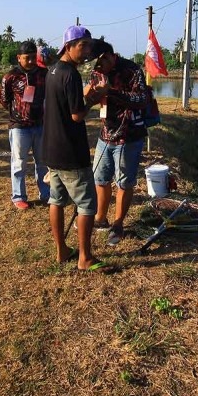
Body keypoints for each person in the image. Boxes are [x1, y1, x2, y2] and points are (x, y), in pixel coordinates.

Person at [41, 25, 109, 270]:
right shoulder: (70, 74)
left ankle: (62, 251)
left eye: (89, 45)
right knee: (87, 204)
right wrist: (94, 97)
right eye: (83, 45)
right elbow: (76, 115)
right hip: (70, 151)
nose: (88, 50)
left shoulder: (52, 71)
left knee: (56, 200)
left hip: (51, 149)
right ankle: (85, 257)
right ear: (68, 46)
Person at [86, 38, 149, 245]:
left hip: (129, 136)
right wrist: (90, 95)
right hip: (106, 133)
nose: (98, 67)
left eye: (102, 62)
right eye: (95, 64)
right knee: (100, 178)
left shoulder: (132, 70)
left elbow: (141, 100)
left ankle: (118, 223)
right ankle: (100, 218)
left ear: (111, 56)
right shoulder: (96, 71)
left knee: (124, 181)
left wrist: (111, 91)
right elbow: (93, 97)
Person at [0, 40, 49, 209]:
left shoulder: (44, 74)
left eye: (33, 57)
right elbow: (4, 100)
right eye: (27, 58)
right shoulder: (10, 77)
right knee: (19, 162)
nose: (30, 61)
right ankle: (19, 197)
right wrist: (20, 112)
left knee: (42, 162)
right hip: (19, 127)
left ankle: (46, 194)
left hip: (40, 125)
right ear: (18, 58)